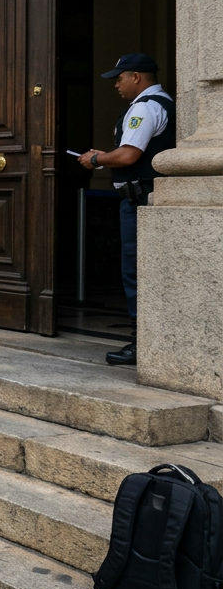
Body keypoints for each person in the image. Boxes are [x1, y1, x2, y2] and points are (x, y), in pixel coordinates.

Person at [78, 53, 176, 366]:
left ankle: (140, 344)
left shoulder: (145, 107)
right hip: (149, 199)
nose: (117, 84)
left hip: (139, 201)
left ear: (136, 77)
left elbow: (129, 156)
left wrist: (96, 159)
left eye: (119, 78)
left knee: (136, 272)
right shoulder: (163, 102)